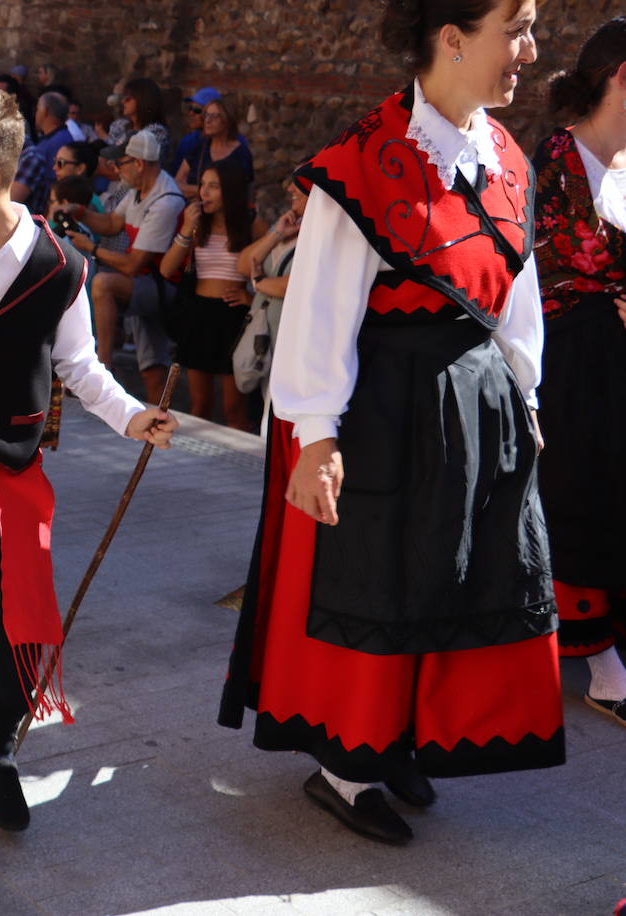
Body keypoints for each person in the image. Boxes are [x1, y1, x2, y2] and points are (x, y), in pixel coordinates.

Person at [219, 0, 563, 846]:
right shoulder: (363, 164)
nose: (529, 48)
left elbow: (515, 297)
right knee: (380, 578)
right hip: (385, 409)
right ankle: (347, 767)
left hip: (477, 404)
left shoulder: (507, 158)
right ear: (452, 38)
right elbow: (319, 311)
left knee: (453, 574)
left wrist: (525, 399)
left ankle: (407, 735)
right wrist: (316, 437)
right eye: (514, 27)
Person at [0, 83, 178, 831]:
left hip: (15, 476)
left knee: (16, 623)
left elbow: (80, 365)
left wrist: (132, 416)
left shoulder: (59, 264)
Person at [531, 18, 626, 727]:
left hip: (611, 357)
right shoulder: (558, 156)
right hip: (569, 363)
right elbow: (570, 267)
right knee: (580, 496)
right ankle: (598, 662)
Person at [57, 130, 185, 404]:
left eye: (122, 162)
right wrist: (81, 213)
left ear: (139, 163)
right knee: (151, 370)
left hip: (162, 288)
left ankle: (102, 365)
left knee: (103, 283)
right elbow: (113, 224)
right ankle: (154, 423)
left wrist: (91, 248)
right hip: (143, 284)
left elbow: (134, 262)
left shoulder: (166, 201)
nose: (116, 169)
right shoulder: (139, 190)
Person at [157, 162, 260, 428]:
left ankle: (242, 465)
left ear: (231, 190)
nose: (204, 192)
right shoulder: (196, 224)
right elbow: (167, 269)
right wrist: (186, 228)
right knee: (199, 405)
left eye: (213, 186)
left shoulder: (251, 223)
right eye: (203, 185)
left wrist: (250, 297)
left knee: (233, 407)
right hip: (199, 315)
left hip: (234, 318)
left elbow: (272, 268)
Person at [231, 178, 308, 404]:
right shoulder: (288, 225)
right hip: (264, 341)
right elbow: (244, 265)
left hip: (290, 345)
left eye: (299, 183)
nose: (289, 188)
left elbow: (295, 286)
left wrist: (259, 282)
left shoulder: (322, 234)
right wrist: (277, 234)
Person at [176, 96, 253, 200]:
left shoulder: (241, 153)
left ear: (227, 120)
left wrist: (192, 190)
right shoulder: (199, 147)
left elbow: (237, 192)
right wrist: (202, 190)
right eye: (206, 115)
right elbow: (177, 183)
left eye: (214, 116)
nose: (207, 121)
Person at [10, 90, 73, 216]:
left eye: (38, 109)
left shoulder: (59, 142)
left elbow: (54, 184)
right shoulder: (53, 138)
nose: (36, 114)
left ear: (45, 112)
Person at [170, 86, 219, 174]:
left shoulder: (235, 145)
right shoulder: (188, 142)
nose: (191, 113)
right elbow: (176, 181)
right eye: (190, 108)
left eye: (197, 110)